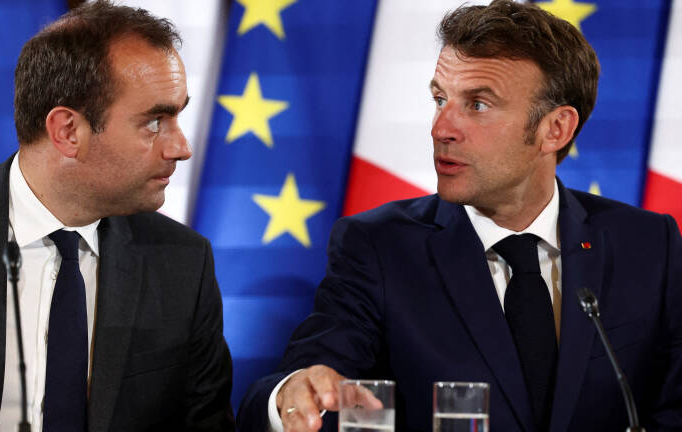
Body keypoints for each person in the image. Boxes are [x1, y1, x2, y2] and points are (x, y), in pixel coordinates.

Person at [236, 1, 682, 431]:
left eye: (478, 104)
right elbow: (312, 378)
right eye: (439, 99)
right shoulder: (379, 247)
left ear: (555, 129)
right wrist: (292, 394)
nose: (441, 129)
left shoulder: (649, 245)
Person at [0, 2, 234, 431]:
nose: (181, 147)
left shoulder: (183, 263)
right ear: (67, 131)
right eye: (155, 122)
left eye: (177, 116)